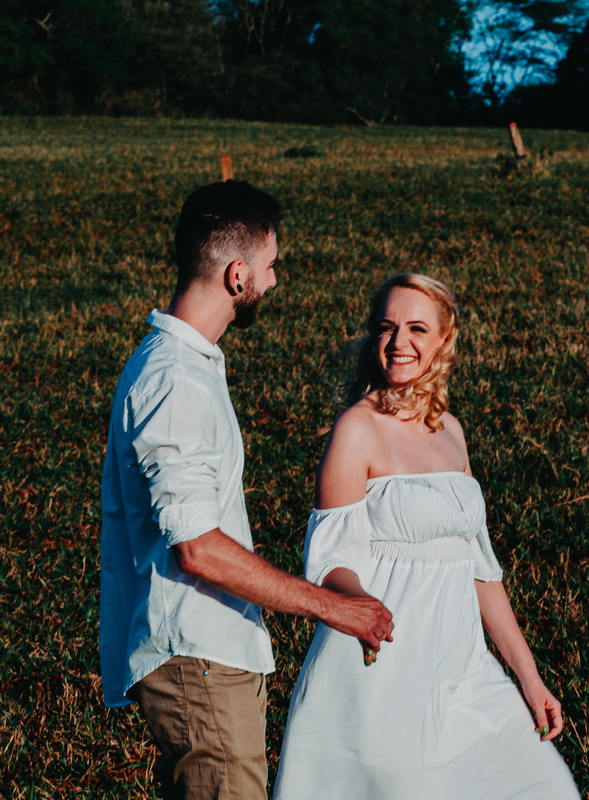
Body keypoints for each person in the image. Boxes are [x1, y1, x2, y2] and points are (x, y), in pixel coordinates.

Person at [99, 180, 395, 800]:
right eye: (271, 265)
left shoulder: (188, 365)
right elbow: (197, 549)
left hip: (212, 656)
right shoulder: (175, 380)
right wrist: (331, 606)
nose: (275, 281)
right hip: (198, 660)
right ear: (238, 274)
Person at [272, 274, 580, 799]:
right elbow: (327, 560)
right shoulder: (357, 429)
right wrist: (361, 602)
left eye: (417, 328)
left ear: (443, 339)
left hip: (463, 669)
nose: (399, 343)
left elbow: (480, 570)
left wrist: (529, 677)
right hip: (384, 670)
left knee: (545, 787)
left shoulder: (451, 432)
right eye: (387, 328)